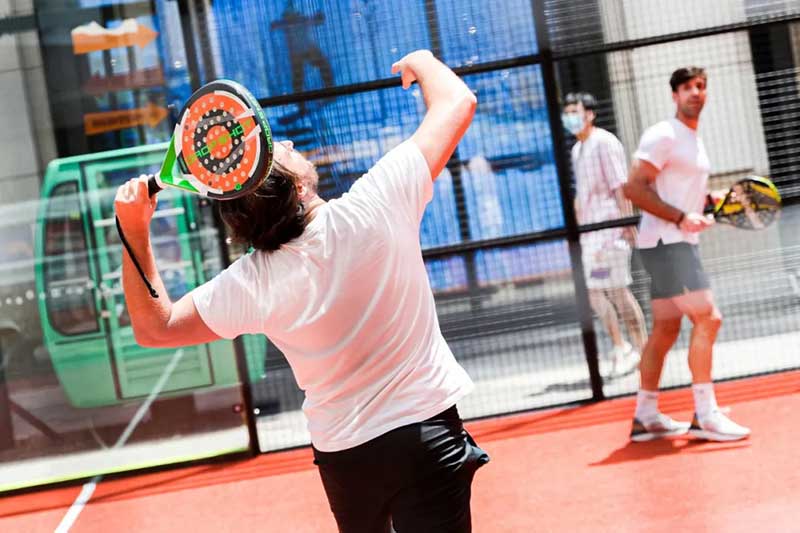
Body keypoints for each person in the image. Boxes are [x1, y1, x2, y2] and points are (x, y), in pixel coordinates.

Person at [114, 49, 488, 532]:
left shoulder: (253, 281)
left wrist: (134, 232)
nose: (288, 141)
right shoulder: (376, 204)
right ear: (297, 188)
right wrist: (423, 59)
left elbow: (155, 327)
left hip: (346, 460)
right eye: (281, 150)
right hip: (425, 433)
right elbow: (457, 101)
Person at [622, 67, 751, 442]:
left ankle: (645, 416)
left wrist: (708, 202)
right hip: (668, 244)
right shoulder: (664, 134)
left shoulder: (693, 139)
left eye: (701, 86)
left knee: (666, 327)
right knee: (709, 318)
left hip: (671, 243)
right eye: (687, 87)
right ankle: (705, 415)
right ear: (674, 95)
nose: (696, 92)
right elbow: (634, 188)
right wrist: (681, 217)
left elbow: (678, 191)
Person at [562, 92, 646, 377]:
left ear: (590, 114)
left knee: (618, 291)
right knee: (595, 291)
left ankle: (643, 350)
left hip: (611, 233)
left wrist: (628, 225)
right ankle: (621, 347)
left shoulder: (605, 142)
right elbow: (581, 194)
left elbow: (620, 187)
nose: (570, 117)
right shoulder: (578, 149)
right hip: (591, 238)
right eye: (567, 112)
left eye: (574, 111)